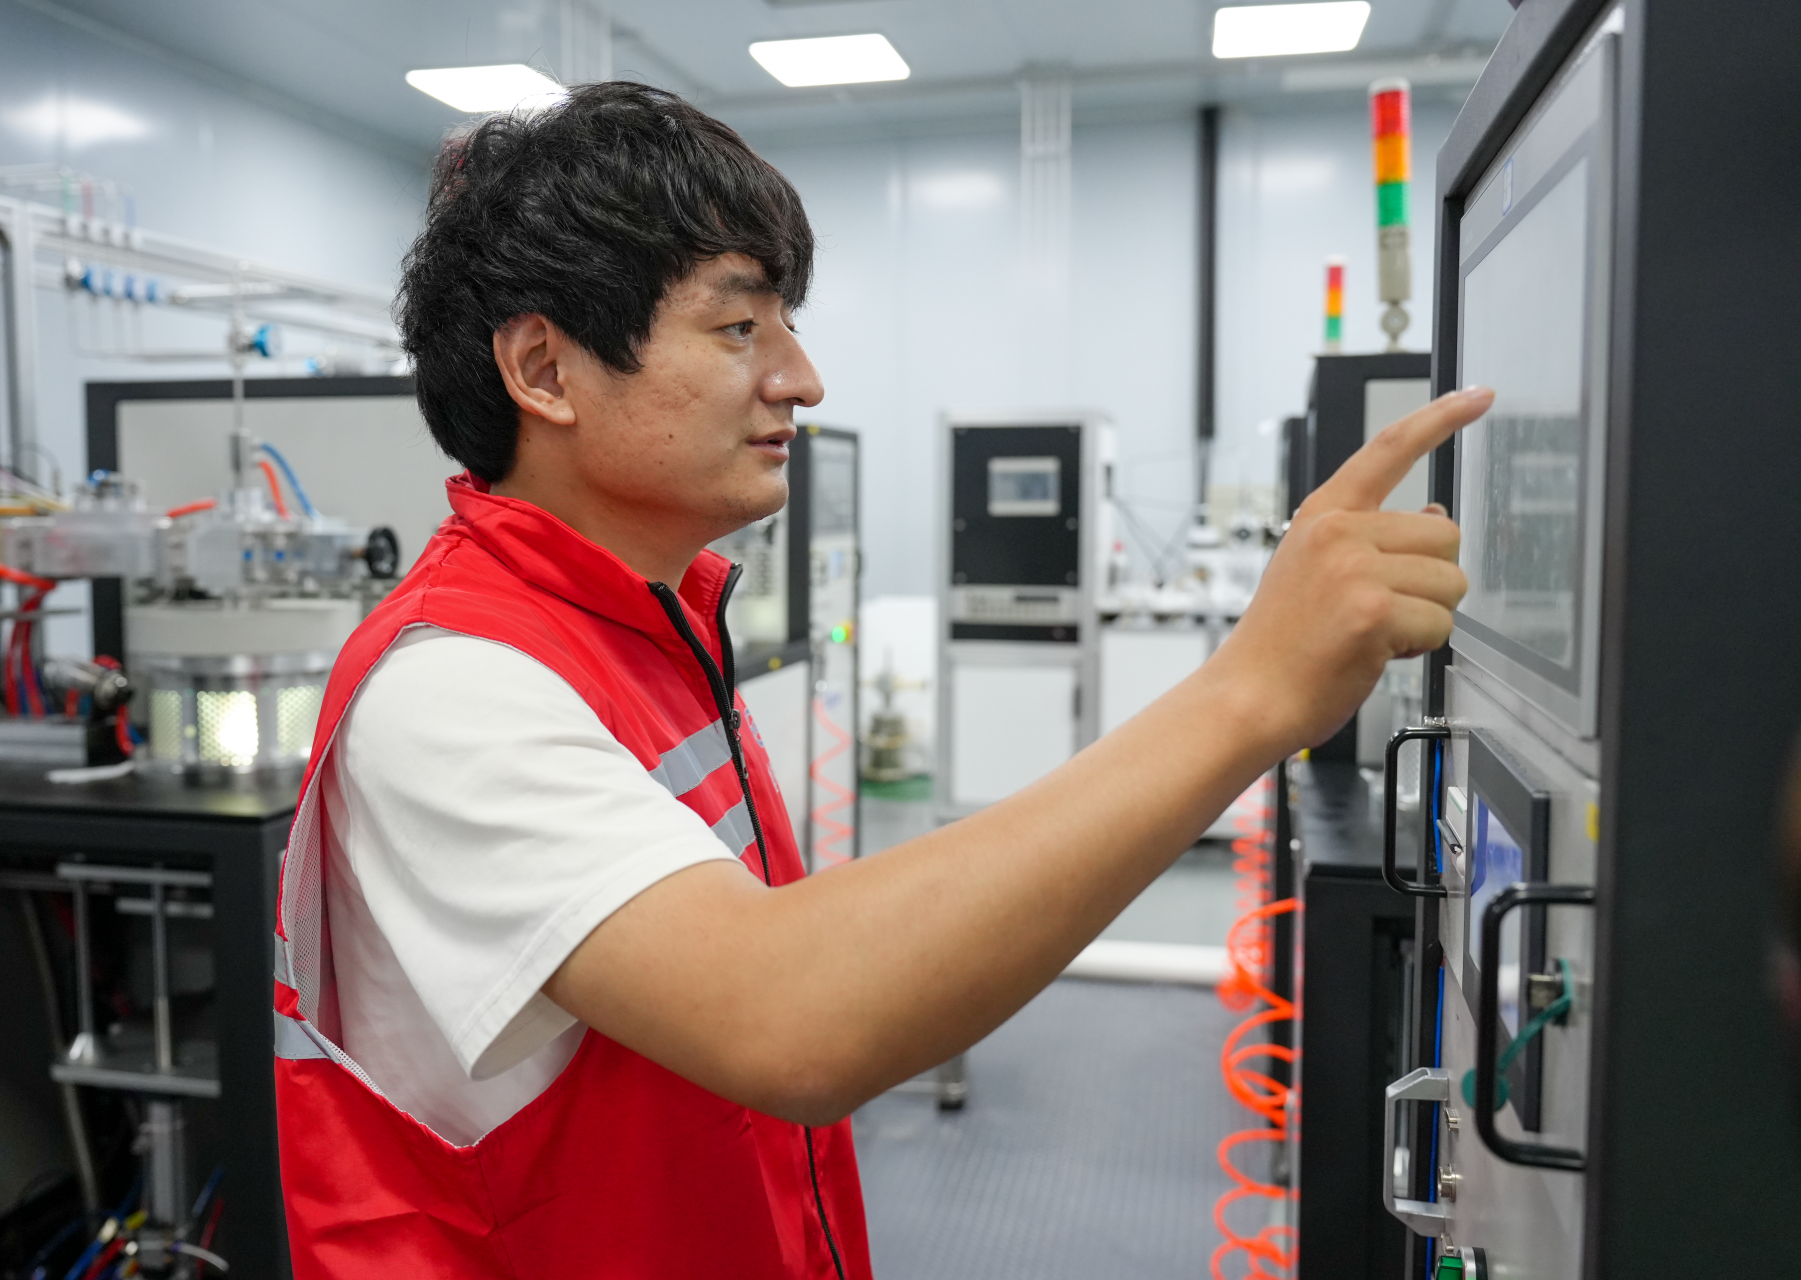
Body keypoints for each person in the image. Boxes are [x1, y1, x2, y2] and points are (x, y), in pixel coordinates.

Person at [270, 81, 1488, 1279]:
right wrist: (1250, 693)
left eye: (786, 324)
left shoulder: (647, 627)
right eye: (740, 328)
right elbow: (790, 1013)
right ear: (544, 368)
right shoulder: (449, 687)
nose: (801, 379)